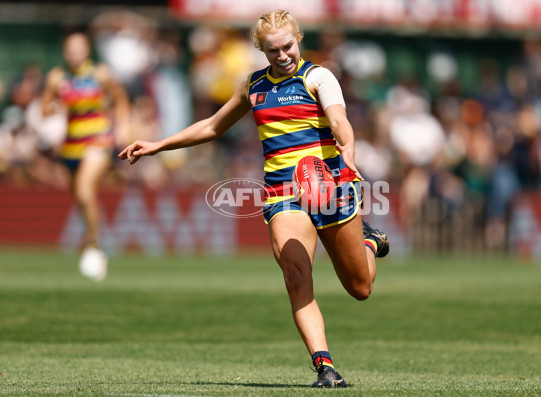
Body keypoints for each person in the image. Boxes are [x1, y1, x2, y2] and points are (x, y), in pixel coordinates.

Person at [119, 10, 389, 388]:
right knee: (296, 275)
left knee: (360, 288)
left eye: (288, 46)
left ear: (299, 39)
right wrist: (159, 145)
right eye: (273, 50)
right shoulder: (253, 85)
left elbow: (339, 119)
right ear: (260, 49)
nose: (283, 56)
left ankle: (369, 242)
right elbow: (213, 126)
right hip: (283, 194)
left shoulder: (319, 77)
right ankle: (325, 366)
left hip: (329, 185)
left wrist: (347, 147)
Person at [42, 32, 130, 281]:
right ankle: (92, 242)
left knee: (84, 190)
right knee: (80, 199)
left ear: (87, 50)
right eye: (70, 48)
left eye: (79, 47)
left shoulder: (101, 73)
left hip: (98, 139)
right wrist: (57, 106)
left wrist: (122, 126)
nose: (75, 52)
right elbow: (44, 108)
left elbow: (121, 100)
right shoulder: (56, 78)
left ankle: (94, 246)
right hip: (70, 145)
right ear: (64, 51)